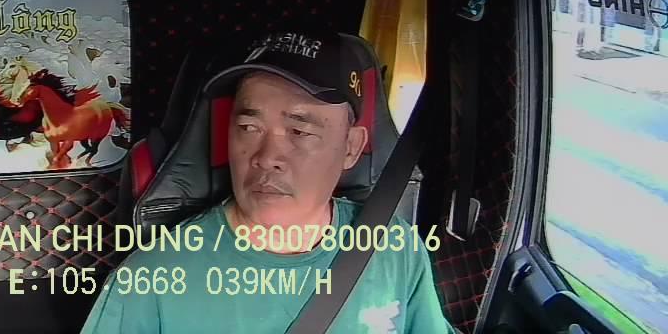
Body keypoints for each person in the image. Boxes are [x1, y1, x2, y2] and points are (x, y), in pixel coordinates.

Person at [81, 31, 455, 333]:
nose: (266, 157)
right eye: (249, 127)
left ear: (351, 147)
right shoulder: (151, 277)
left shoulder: (394, 249)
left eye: (299, 131)